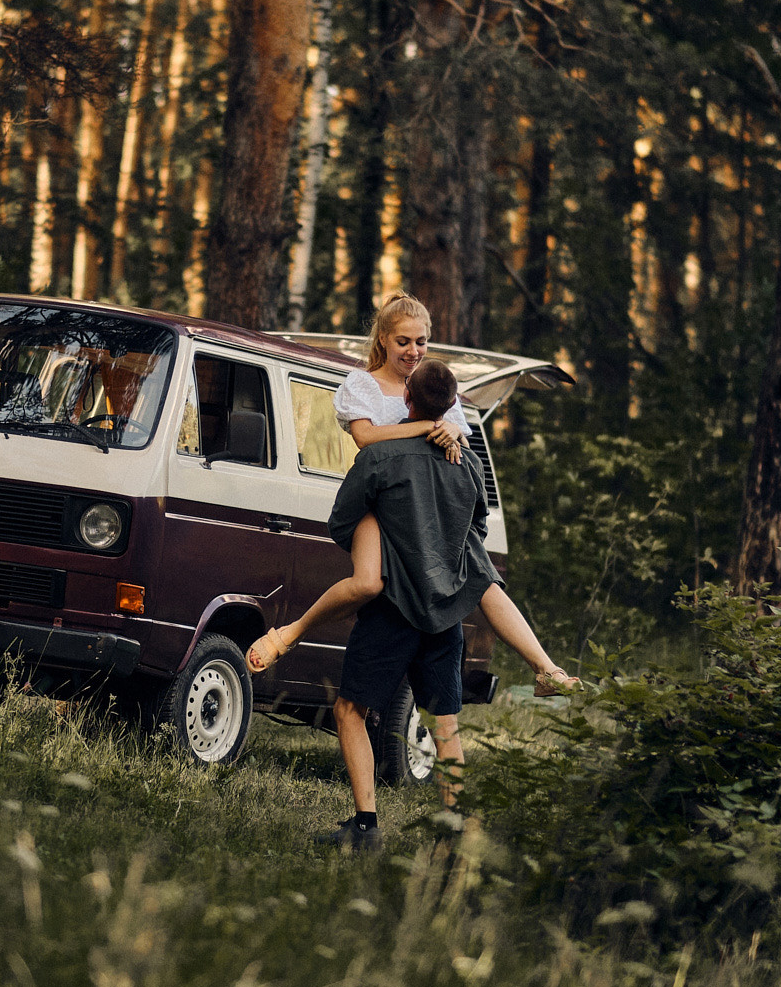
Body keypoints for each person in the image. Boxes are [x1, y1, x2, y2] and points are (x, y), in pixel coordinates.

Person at [246, 293, 575, 697]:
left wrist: (454, 430)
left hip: (425, 506)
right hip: (377, 501)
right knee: (367, 583)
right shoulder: (363, 384)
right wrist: (424, 428)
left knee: (484, 580)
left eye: (420, 341)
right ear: (383, 339)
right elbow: (366, 437)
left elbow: (461, 450)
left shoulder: (433, 385)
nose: (413, 351)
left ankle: (547, 670)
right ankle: (291, 632)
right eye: (403, 341)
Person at [308, 359, 500, 850]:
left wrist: (381, 542)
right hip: (445, 616)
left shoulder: (379, 459)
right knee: (445, 725)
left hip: (390, 609)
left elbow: (342, 520)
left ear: (407, 401)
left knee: (351, 709)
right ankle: (454, 831)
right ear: (450, 405)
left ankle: (366, 827)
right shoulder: (469, 462)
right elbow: (476, 531)